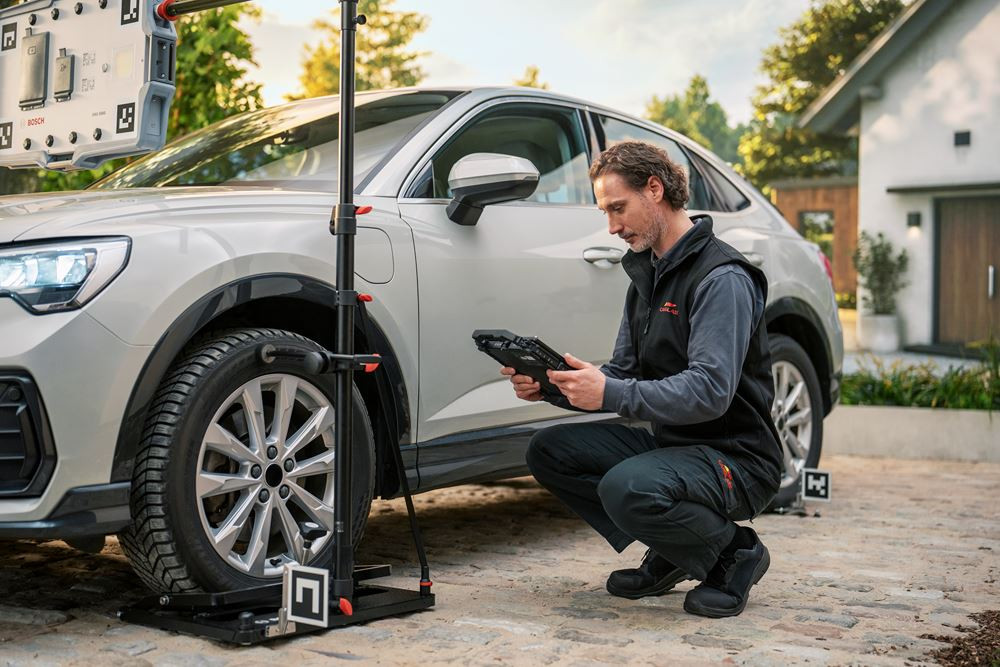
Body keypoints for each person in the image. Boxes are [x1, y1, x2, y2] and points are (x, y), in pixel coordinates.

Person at [501, 141, 783, 618]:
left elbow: (709, 392)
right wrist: (552, 385)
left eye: (618, 208)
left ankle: (734, 552)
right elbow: (625, 375)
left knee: (628, 487)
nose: (611, 227)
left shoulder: (722, 278)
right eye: (605, 212)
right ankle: (675, 547)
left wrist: (609, 390)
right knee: (548, 451)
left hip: (737, 459)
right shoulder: (648, 276)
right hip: (676, 449)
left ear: (655, 189)